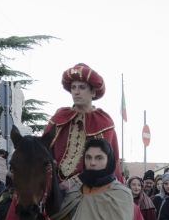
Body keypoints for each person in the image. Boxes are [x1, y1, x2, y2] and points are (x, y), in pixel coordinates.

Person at [45, 63, 123, 196]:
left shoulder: (104, 122)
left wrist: (74, 182)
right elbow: (44, 151)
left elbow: (108, 163)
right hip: (53, 185)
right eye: (73, 87)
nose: (76, 92)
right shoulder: (59, 117)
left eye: (82, 87)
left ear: (93, 92)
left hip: (92, 188)